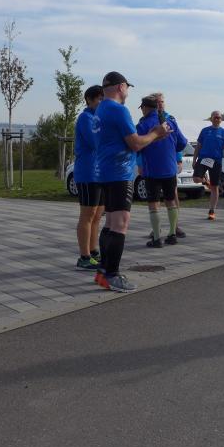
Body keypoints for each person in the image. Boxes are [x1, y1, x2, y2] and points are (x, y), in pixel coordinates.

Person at [93, 71, 169, 293]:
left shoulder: (100, 109)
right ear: (121, 87)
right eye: (127, 88)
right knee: (120, 223)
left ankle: (103, 272)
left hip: (105, 171)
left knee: (110, 223)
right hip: (119, 173)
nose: (127, 93)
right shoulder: (119, 110)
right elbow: (135, 143)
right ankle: (112, 275)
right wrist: (156, 133)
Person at [136, 96, 187, 248]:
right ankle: (172, 235)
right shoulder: (170, 122)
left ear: (145, 108)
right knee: (170, 201)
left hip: (152, 170)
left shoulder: (142, 125)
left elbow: (137, 146)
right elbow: (182, 143)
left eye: (142, 108)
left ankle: (157, 238)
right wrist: (170, 150)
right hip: (169, 168)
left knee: (154, 203)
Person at [74, 84, 105, 270]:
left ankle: (93, 251)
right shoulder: (85, 118)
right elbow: (96, 142)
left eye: (103, 99)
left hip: (100, 173)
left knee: (97, 215)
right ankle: (84, 256)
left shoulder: (98, 118)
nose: (102, 102)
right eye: (99, 99)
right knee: (87, 215)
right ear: (89, 100)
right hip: (88, 173)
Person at [152, 92, 186, 238]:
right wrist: (140, 163)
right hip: (153, 164)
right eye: (157, 102)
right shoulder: (148, 119)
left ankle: (175, 226)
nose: (160, 104)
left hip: (168, 163)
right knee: (155, 198)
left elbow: (178, 141)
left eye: (162, 101)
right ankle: (156, 228)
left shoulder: (171, 119)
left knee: (173, 195)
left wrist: (179, 160)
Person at [193, 110, 224, 220]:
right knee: (196, 179)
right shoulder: (205, 131)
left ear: (221, 119)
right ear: (211, 119)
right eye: (215, 117)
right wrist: (194, 159)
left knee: (215, 187)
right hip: (203, 158)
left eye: (219, 117)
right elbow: (198, 146)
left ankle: (212, 210)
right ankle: (205, 181)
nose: (217, 119)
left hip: (216, 161)